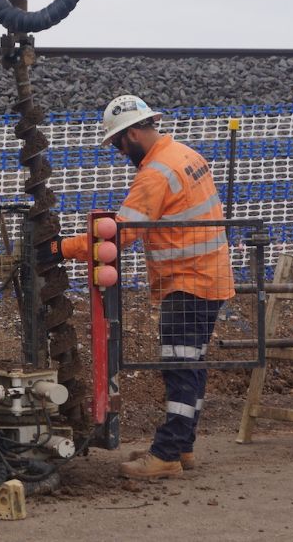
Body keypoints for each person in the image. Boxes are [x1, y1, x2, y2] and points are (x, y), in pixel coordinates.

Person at [38, 94, 235, 480]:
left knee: (179, 367)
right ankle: (182, 447)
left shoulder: (155, 173)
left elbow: (118, 234)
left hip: (187, 282)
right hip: (211, 277)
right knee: (190, 365)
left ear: (131, 135)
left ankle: (165, 455)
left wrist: (59, 248)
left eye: (117, 143)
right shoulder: (185, 154)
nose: (117, 151)